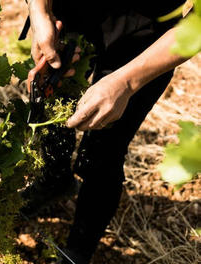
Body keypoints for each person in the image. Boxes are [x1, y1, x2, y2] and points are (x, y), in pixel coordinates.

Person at [23, 0, 193, 263]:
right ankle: (55, 182)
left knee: (104, 148)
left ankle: (78, 251)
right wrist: (40, 10)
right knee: (52, 109)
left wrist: (127, 81)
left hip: (143, 39)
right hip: (70, 13)